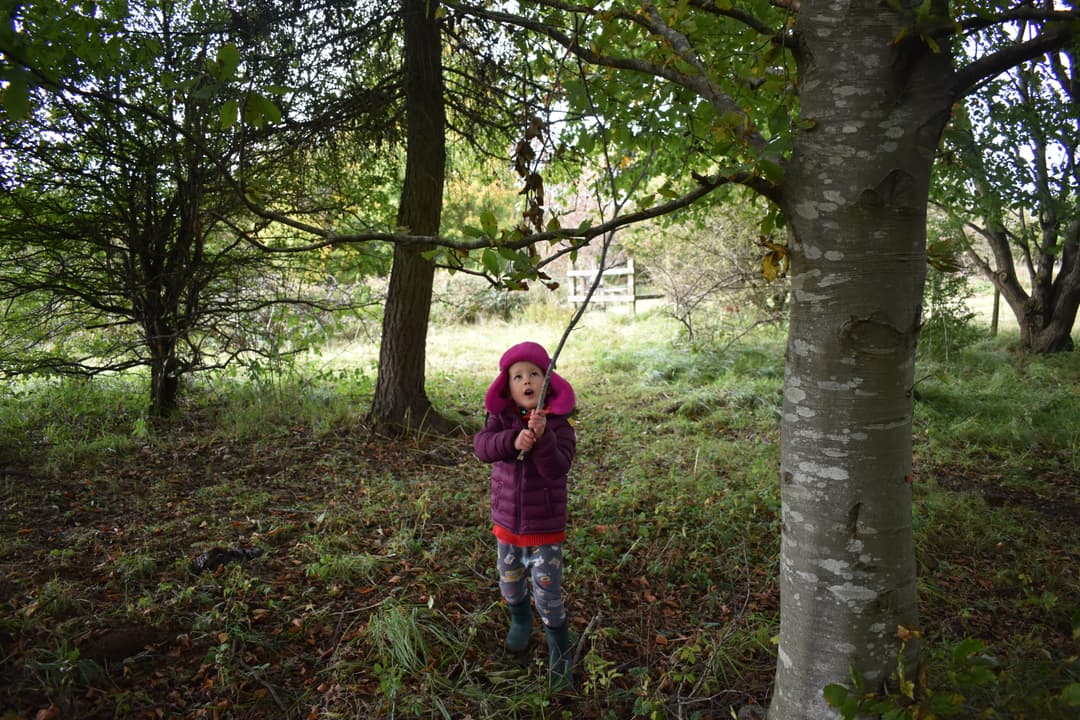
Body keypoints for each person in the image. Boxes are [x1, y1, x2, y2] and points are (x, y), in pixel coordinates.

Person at [473, 341, 577, 690]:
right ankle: (520, 619)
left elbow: (558, 468)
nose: (527, 381)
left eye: (534, 374)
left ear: (548, 382)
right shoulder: (499, 420)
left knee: (547, 593)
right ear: (508, 386)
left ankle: (559, 648)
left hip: (544, 528)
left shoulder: (559, 425)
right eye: (518, 376)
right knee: (510, 582)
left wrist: (543, 438)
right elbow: (482, 447)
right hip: (506, 525)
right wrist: (511, 441)